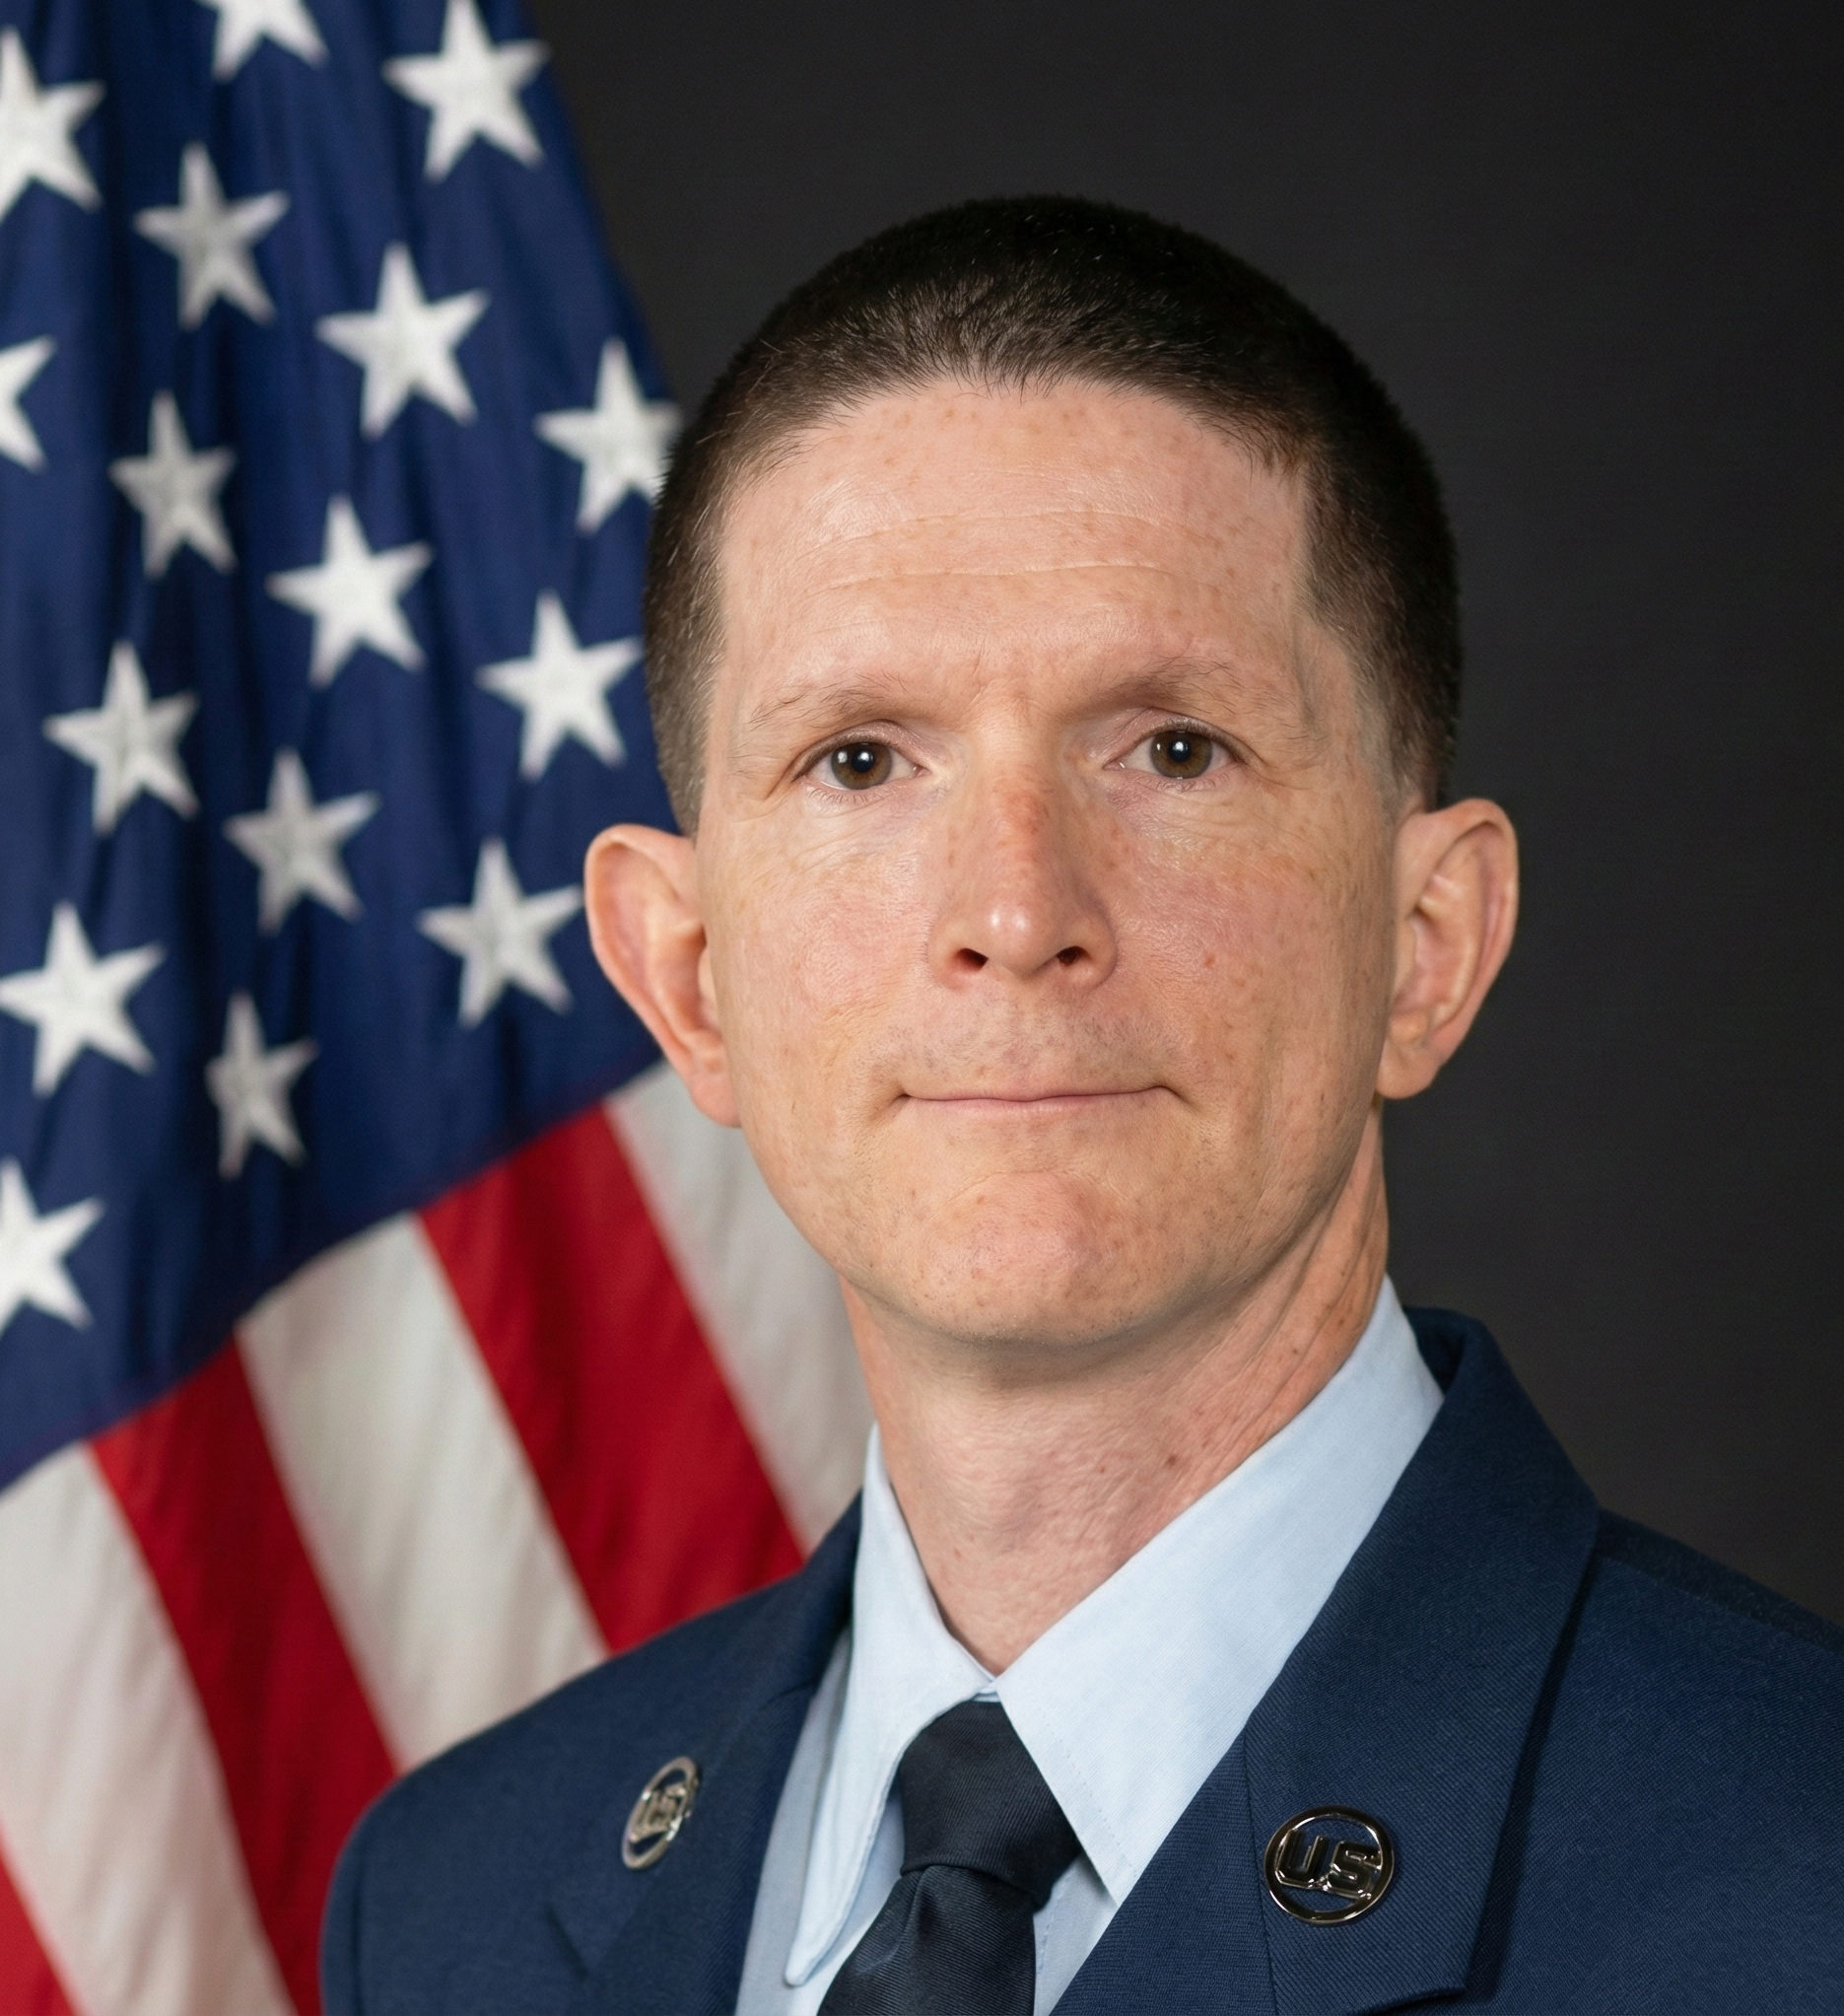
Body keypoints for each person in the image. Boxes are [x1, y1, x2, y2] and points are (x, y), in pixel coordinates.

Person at [321, 197, 1844, 2015]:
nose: (1016, 914)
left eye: (1172, 749)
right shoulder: (450, 1903)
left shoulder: (1797, 1885)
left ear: (1423, 947)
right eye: (862, 759)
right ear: (687, 976)